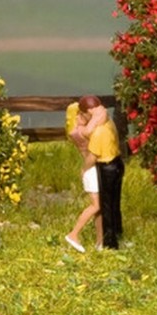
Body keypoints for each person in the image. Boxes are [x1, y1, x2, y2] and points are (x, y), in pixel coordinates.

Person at [77, 94, 124, 249]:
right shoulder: (108, 122)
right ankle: (117, 232)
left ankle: (109, 242)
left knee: (106, 206)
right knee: (115, 203)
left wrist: (84, 169)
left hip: (107, 168)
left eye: (82, 114)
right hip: (117, 163)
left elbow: (92, 157)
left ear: (89, 112)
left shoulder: (98, 132)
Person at [65, 104, 103, 253]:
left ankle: (100, 241)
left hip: (94, 170)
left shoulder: (75, 131)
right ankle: (74, 234)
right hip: (91, 170)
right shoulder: (79, 131)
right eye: (80, 115)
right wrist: (98, 114)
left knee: (99, 209)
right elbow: (95, 127)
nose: (84, 117)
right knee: (96, 205)